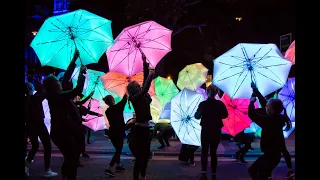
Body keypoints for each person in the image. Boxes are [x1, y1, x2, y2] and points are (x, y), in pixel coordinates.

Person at [42, 50, 86, 180]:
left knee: (71, 156)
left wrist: (74, 60)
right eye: (57, 82)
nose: (60, 82)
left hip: (64, 132)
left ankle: (64, 176)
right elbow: (78, 89)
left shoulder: (56, 93)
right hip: (62, 134)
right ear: (53, 86)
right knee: (72, 158)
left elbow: (66, 77)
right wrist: (82, 74)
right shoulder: (58, 96)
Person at [248, 86, 292, 180]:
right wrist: (256, 91)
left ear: (270, 110)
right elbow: (265, 104)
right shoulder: (279, 117)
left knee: (256, 173)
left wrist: (252, 100)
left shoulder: (268, 121)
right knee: (255, 172)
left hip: (270, 157)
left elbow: (251, 114)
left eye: (267, 106)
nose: (265, 107)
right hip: (272, 156)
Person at [127, 52, 155, 180]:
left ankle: (143, 176)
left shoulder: (141, 95)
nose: (140, 86)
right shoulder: (134, 98)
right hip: (139, 131)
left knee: (145, 156)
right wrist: (150, 75)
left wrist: (144, 63)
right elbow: (145, 87)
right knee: (140, 158)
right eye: (138, 86)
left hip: (145, 129)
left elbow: (144, 83)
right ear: (134, 89)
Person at [194, 84, 228, 180]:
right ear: (216, 93)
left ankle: (204, 174)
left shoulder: (203, 104)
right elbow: (225, 115)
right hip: (216, 131)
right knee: (213, 153)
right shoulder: (220, 104)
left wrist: (199, 114)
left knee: (204, 152)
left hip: (205, 130)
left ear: (207, 93)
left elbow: (197, 116)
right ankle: (213, 174)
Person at [24, 82, 58, 177]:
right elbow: (45, 93)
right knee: (47, 146)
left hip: (30, 125)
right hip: (38, 124)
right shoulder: (35, 98)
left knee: (35, 146)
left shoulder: (27, 98)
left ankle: (26, 166)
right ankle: (47, 169)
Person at [103, 94, 128, 177]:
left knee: (118, 149)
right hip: (119, 132)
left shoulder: (108, 111)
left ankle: (118, 165)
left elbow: (124, 99)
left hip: (112, 133)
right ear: (112, 100)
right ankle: (109, 168)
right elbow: (125, 98)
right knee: (118, 150)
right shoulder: (118, 107)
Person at [73, 91, 103, 158]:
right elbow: (78, 115)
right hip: (76, 126)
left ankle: (82, 152)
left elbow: (87, 111)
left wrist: (97, 114)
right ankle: (78, 156)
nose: (80, 99)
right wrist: (89, 95)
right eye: (78, 98)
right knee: (78, 141)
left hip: (79, 125)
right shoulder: (75, 106)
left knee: (81, 140)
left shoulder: (79, 107)